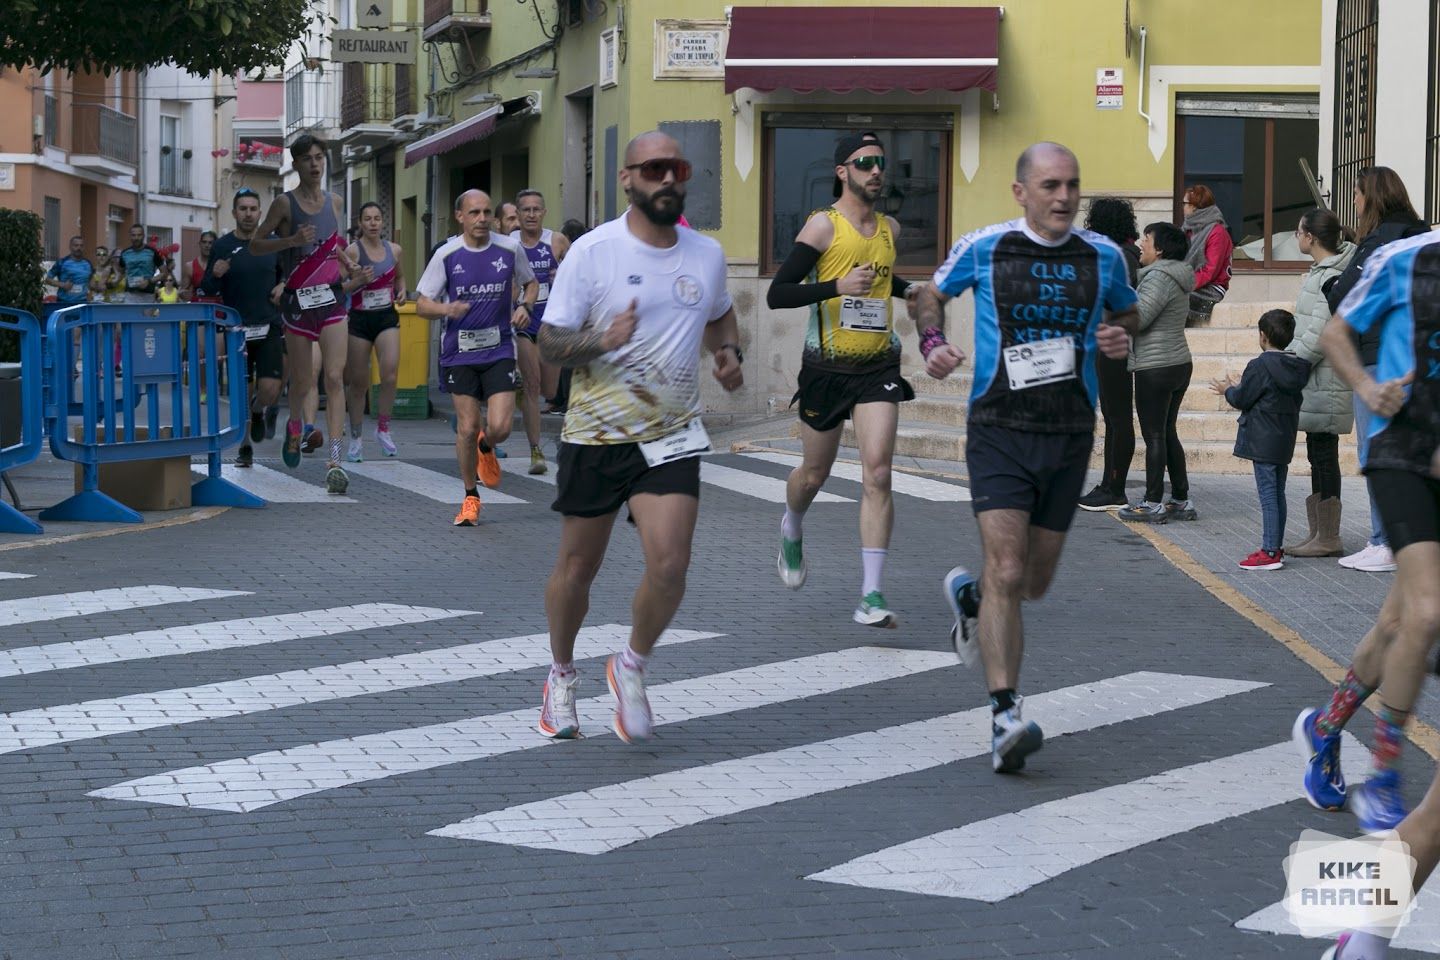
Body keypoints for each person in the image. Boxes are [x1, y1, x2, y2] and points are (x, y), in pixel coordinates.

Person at [913, 142, 1138, 773]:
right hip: (999, 428)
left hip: (1068, 433)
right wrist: (932, 340)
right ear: (1021, 193)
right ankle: (1005, 715)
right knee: (1009, 569)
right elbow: (926, 294)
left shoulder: (1104, 255)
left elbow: (1129, 310)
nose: (1064, 197)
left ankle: (972, 602)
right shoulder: (986, 247)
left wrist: (1121, 336)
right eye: (1050, 186)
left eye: (1071, 184)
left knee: (1030, 583)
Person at [535, 131, 743, 743]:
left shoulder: (705, 254)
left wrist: (727, 351)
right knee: (578, 567)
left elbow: (719, 311)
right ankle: (561, 673)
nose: (668, 179)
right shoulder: (594, 253)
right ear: (627, 179)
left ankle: (631, 665)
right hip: (597, 435)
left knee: (671, 564)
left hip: (672, 435)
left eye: (676, 168)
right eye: (653, 169)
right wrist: (602, 339)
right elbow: (549, 343)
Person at [1313, 230, 1440, 960]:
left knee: (1402, 621)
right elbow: (1335, 330)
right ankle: (1382, 767)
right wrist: (1367, 388)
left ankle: (1360, 936)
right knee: (1419, 613)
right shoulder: (1404, 260)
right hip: (1405, 457)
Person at [766, 130, 918, 626]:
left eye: (881, 162)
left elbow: (881, 278)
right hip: (826, 368)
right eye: (865, 162)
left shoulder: (890, 228)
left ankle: (871, 594)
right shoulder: (822, 227)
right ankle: (792, 525)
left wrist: (911, 291)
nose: (876, 170)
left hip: (878, 366)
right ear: (843, 172)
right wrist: (835, 286)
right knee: (813, 475)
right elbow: (779, 293)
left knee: (878, 472)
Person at [247, 134, 364, 494]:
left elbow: (334, 245)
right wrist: (291, 242)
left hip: (331, 303)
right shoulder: (284, 204)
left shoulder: (336, 201)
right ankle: (294, 428)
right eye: (307, 159)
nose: (315, 164)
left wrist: (350, 268)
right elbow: (255, 244)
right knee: (300, 382)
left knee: (334, 377)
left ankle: (335, 460)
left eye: (319, 158)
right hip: (298, 306)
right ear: (295, 164)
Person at [1326, 167, 1428, 574]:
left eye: (1355, 194)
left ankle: (1384, 540)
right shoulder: (1420, 235)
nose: (1353, 202)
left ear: (1370, 197)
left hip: (1378, 358)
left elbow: (1343, 299)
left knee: (1377, 450)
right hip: (1419, 357)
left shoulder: (1378, 244)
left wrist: (1331, 281)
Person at [414, 189, 537, 526]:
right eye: (474, 213)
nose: (482, 219)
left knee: (499, 427)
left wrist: (525, 306)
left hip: (498, 349)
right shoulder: (447, 254)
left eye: (486, 213)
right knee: (467, 428)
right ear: (460, 216)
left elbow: (531, 284)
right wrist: (446, 308)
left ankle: (488, 446)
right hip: (459, 353)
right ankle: (470, 497)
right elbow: (422, 303)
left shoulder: (510, 249)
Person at [1209, 309, 1310, 571]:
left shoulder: (1260, 365)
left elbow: (1243, 398)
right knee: (1278, 493)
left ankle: (1269, 551)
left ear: (1263, 336)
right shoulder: (1297, 366)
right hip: (1283, 437)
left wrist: (1228, 390)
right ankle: (1275, 547)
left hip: (1262, 438)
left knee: (1268, 495)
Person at [1285, 209, 1357, 558]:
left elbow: (1319, 330)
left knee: (1325, 455)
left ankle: (1329, 536)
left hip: (1326, 374)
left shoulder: (1334, 274)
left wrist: (1290, 363)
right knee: (1318, 452)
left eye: (1298, 231)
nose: (1295, 236)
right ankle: (1318, 533)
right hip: (1318, 375)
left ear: (1310, 237)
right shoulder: (1324, 271)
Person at [1117, 222, 1197, 522]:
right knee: (1166, 432)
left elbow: (1139, 319)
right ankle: (1180, 499)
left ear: (1160, 249)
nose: (1140, 243)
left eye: (1146, 239)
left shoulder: (1157, 278)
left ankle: (1152, 502)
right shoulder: (1176, 275)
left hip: (1156, 365)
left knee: (1154, 435)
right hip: (1177, 362)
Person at [202, 187, 286, 468]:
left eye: (253, 209)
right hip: (237, 330)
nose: (248, 214)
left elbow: (289, 277)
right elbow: (207, 287)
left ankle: (260, 409)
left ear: (260, 213)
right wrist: (214, 275)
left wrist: (283, 285)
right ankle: (245, 446)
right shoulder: (223, 246)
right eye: (243, 209)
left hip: (269, 325)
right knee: (242, 389)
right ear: (235, 212)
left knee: (270, 388)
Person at [1077, 198, 1141, 512]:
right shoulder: (1122, 254)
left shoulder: (1121, 258)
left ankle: (1115, 487)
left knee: (1118, 418)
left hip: (1116, 345)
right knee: (1112, 420)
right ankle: (1107, 484)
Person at [510, 189, 570, 475]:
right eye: (526, 210)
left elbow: (577, 276)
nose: (531, 214)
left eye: (536, 209)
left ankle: (525, 396)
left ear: (544, 212)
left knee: (549, 391)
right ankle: (536, 451)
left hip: (552, 325)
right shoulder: (508, 244)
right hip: (522, 325)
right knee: (533, 387)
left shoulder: (556, 241)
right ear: (518, 215)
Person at [343, 201, 407, 462]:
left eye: (377, 218)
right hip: (359, 320)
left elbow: (400, 276)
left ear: (383, 222)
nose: (372, 223)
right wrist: (358, 280)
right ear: (360, 223)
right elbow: (340, 287)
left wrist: (402, 290)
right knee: (359, 383)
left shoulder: (395, 250)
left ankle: (383, 428)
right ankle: (356, 437)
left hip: (385, 317)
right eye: (367, 219)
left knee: (390, 374)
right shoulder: (352, 252)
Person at [1180, 185, 1233, 323]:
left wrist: (1184, 284)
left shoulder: (1217, 232)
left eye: (1184, 203)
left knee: (1175, 300)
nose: (1183, 207)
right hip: (1189, 283)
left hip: (1211, 287)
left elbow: (1210, 270)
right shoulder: (1187, 229)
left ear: (1195, 207)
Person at [117, 224, 165, 304]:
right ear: (130, 236)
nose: (136, 238)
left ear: (143, 236)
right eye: (133, 235)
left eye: (139, 235)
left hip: (148, 295)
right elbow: (120, 272)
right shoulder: (125, 253)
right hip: (130, 295)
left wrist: (149, 281)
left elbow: (164, 273)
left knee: (146, 317)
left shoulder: (152, 252)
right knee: (130, 316)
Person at [46, 235, 93, 305]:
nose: (79, 248)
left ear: (84, 248)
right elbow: (48, 280)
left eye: (81, 246)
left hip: (83, 303)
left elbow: (90, 283)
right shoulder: (62, 262)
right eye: (76, 245)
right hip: (64, 303)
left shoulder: (88, 264)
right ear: (70, 247)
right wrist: (62, 285)